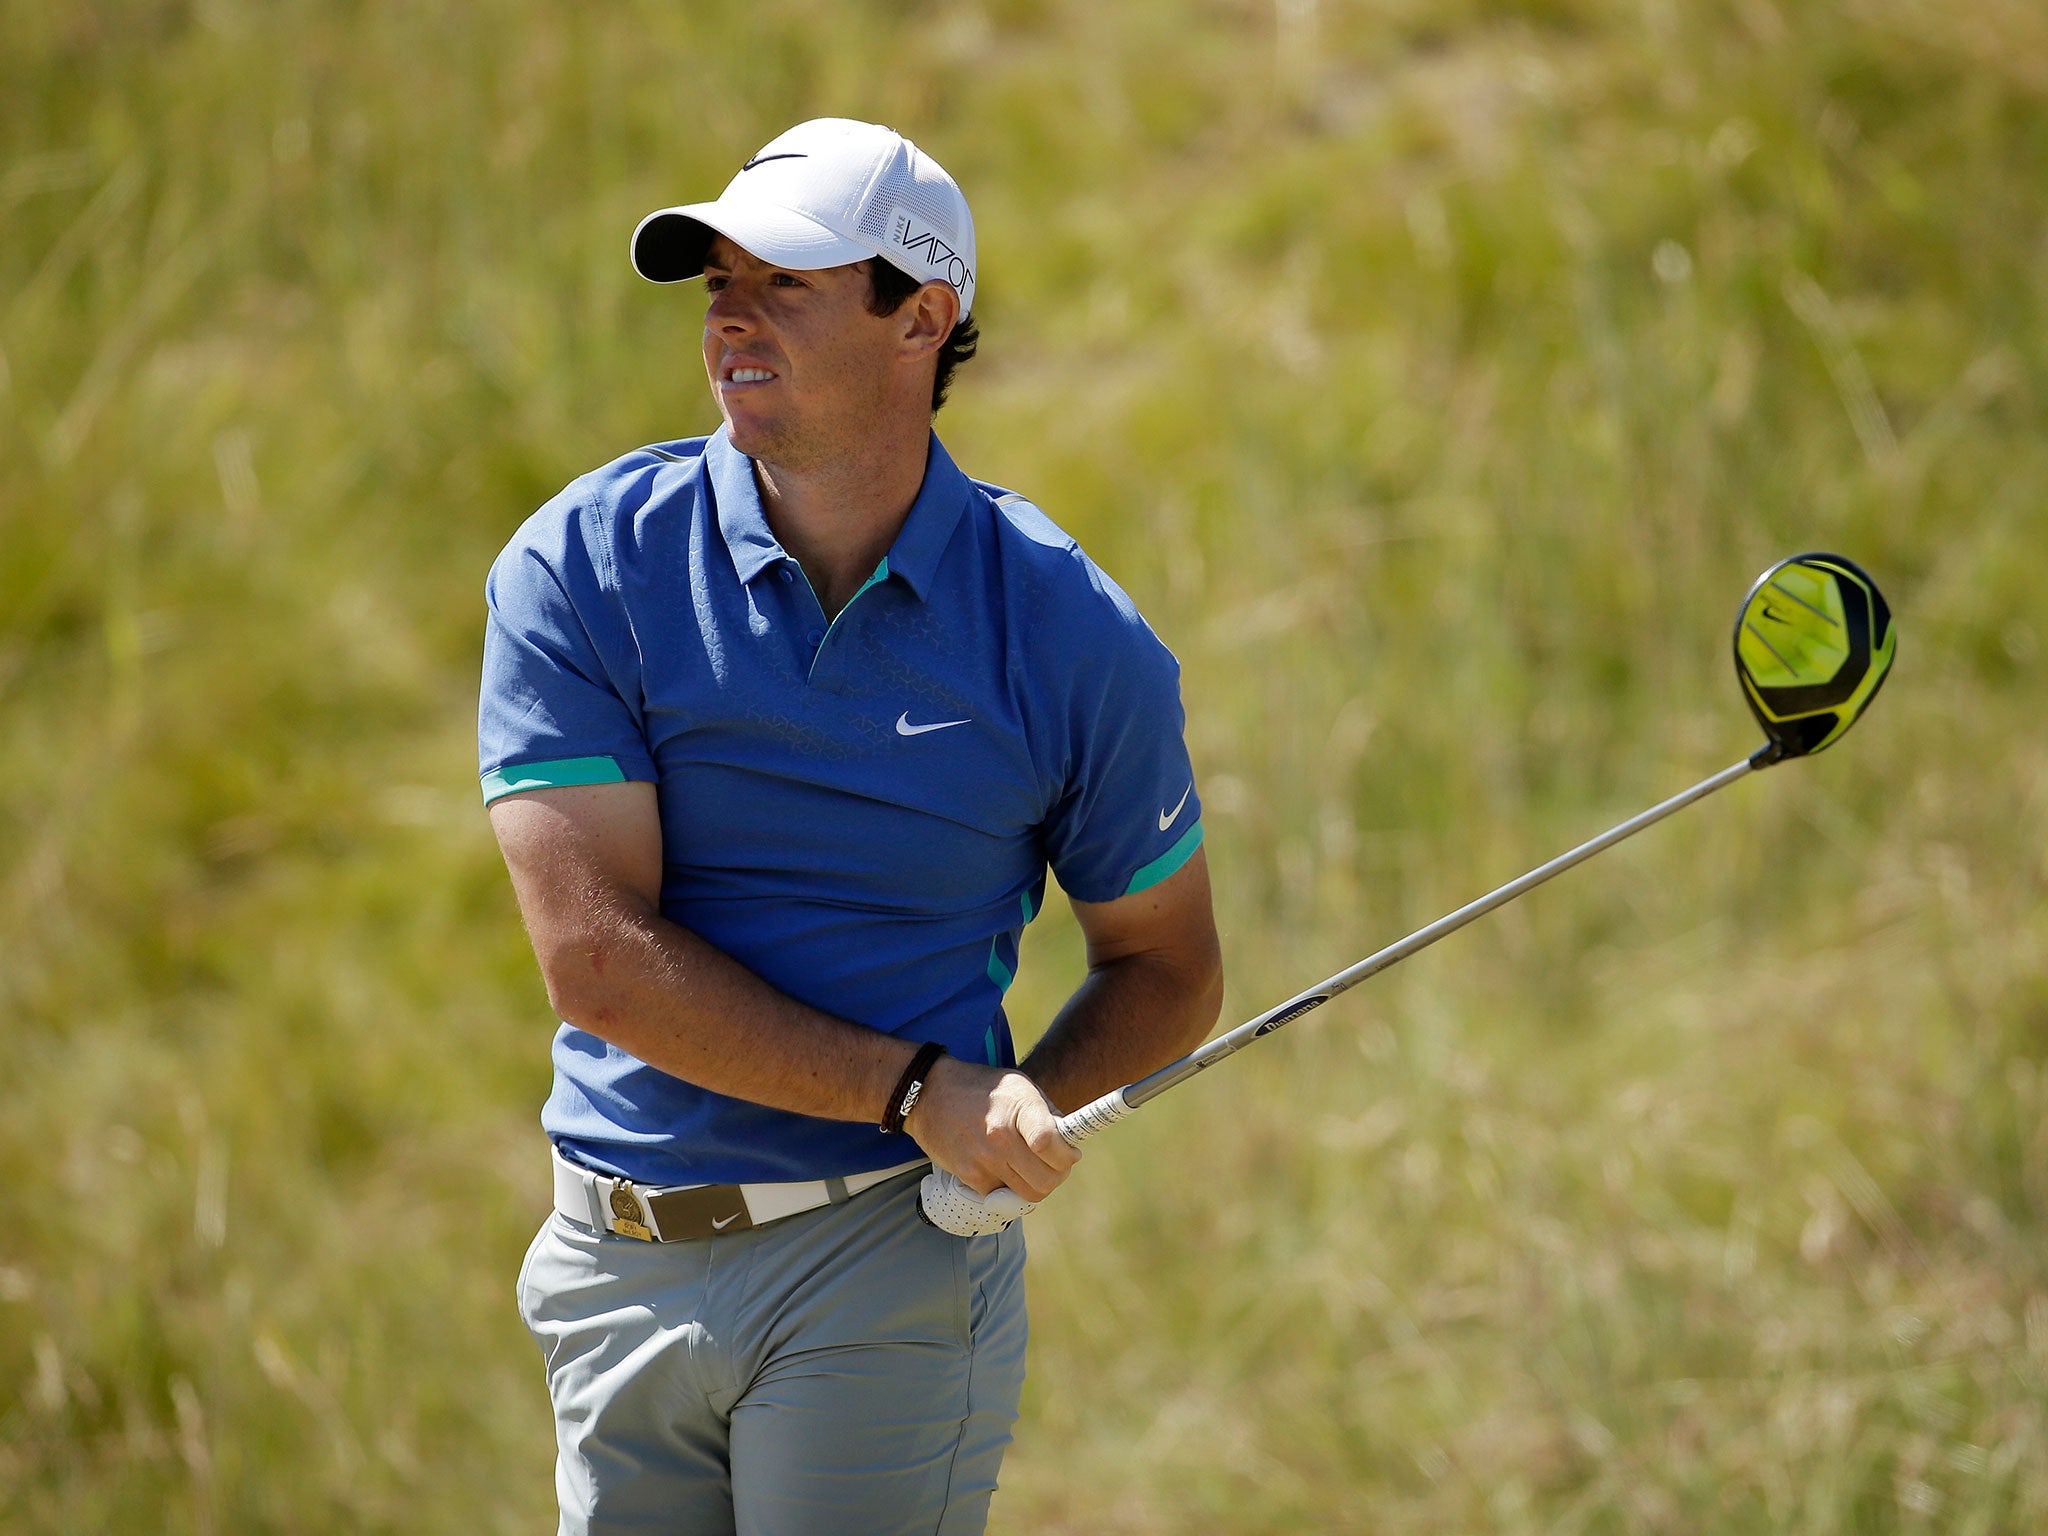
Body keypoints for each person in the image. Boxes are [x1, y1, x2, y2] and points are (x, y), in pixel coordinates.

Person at [479, 117, 1223, 1536]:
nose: (731, 322)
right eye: (717, 287)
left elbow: (1167, 960)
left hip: (882, 1260)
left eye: (788, 284)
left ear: (922, 320)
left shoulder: (1067, 630)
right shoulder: (581, 566)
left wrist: (1021, 1109)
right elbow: (597, 960)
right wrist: (914, 1089)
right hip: (612, 1265)